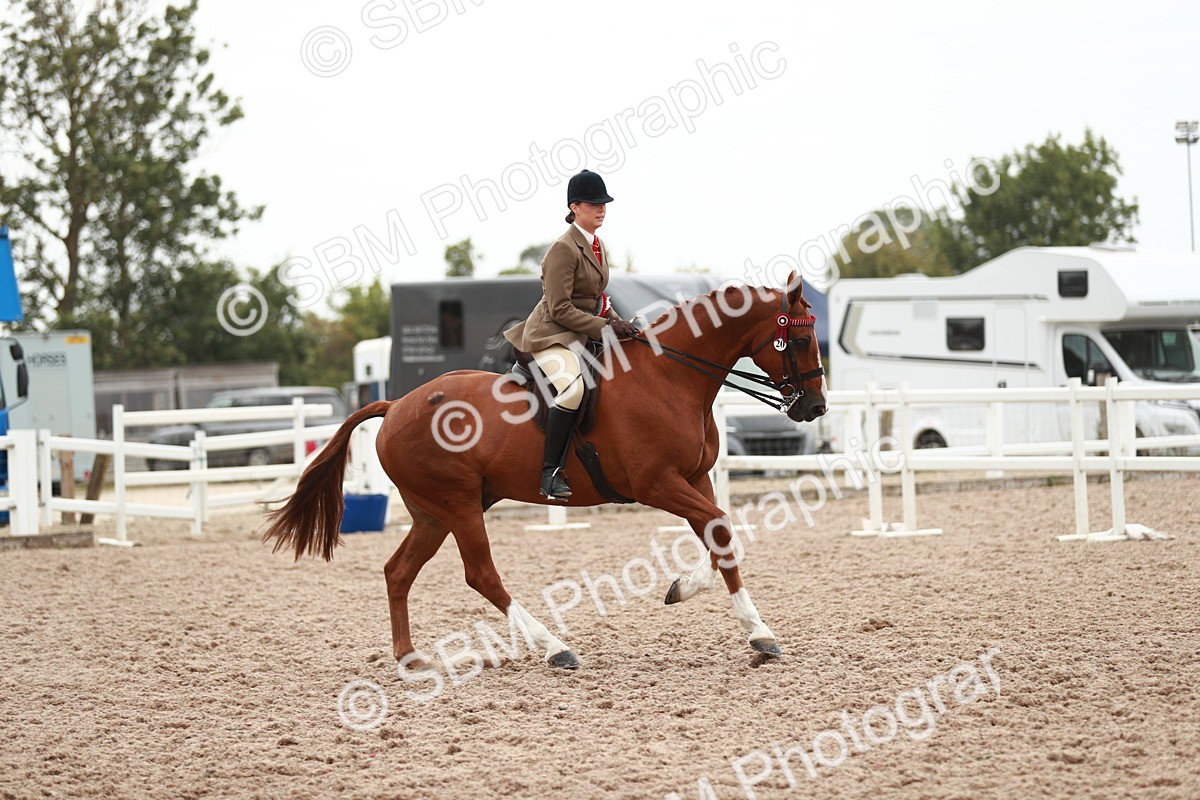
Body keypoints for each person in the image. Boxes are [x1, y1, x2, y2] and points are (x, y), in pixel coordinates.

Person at [504, 169, 639, 501]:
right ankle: (550, 472)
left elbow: (596, 299)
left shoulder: (597, 245)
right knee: (573, 389)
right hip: (551, 336)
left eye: (604, 203)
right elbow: (561, 308)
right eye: (594, 203)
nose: (601, 209)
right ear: (575, 206)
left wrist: (623, 326)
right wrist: (606, 327)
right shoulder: (562, 249)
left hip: (580, 333)